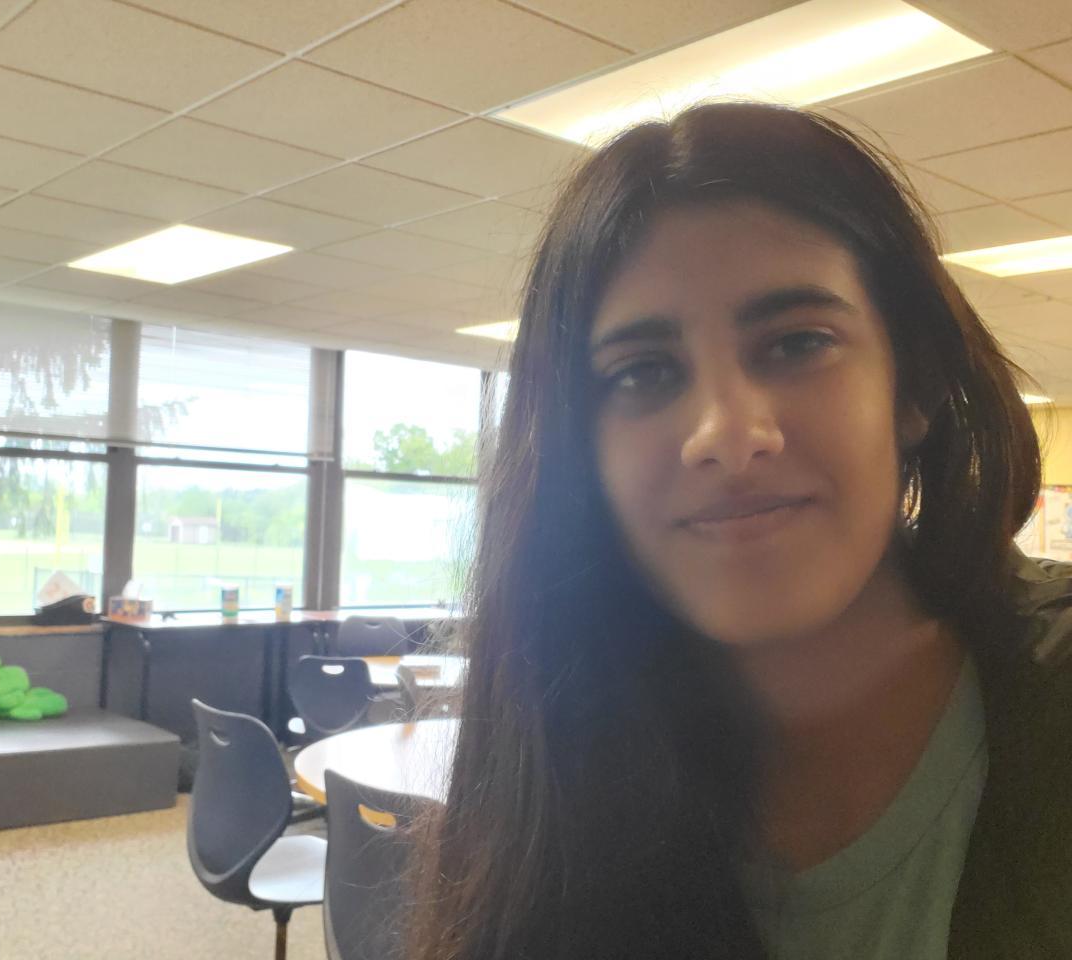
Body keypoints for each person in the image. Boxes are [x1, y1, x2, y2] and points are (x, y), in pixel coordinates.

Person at [405, 101, 1072, 960]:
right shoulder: (556, 742)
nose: (725, 433)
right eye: (644, 372)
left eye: (796, 344)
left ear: (914, 384)